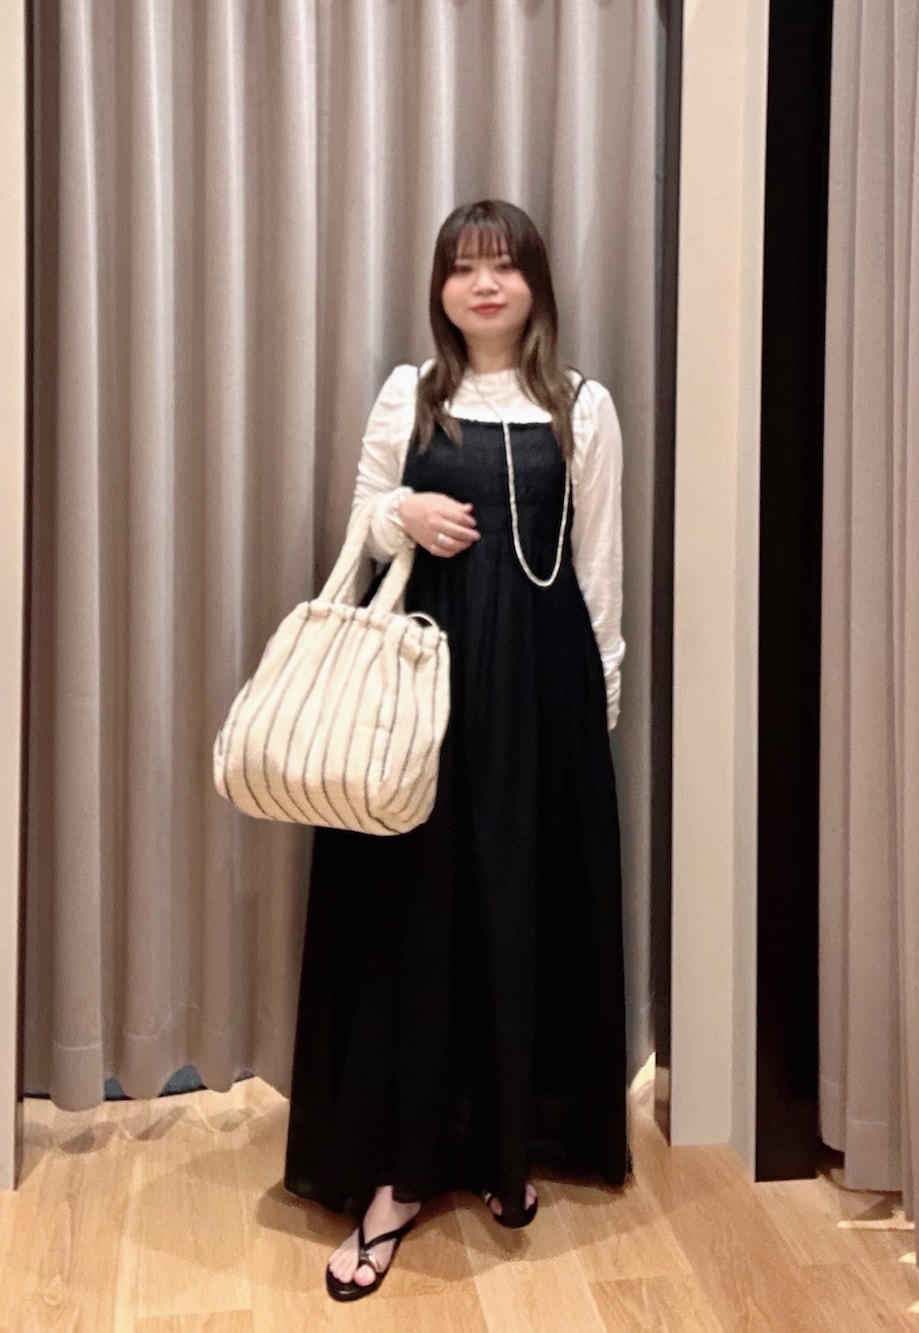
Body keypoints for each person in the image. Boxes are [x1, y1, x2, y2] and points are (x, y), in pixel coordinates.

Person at [283, 198, 629, 1303]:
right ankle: (395, 1177)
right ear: (440, 288)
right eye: (464, 267)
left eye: (505, 266)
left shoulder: (583, 406)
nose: (485, 284)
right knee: (415, 921)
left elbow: (598, 570)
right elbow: (356, 532)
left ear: (535, 284)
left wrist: (597, 706)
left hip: (543, 696)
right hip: (420, 702)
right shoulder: (410, 393)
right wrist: (406, 515)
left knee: (518, 912)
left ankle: (504, 1147)